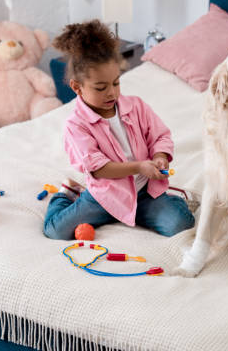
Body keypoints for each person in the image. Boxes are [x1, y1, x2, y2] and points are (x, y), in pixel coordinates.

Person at [43, 19, 194, 240]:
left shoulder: (136, 106)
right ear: (77, 87)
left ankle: (168, 200)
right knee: (55, 231)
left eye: (116, 83)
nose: (112, 93)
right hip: (103, 197)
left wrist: (160, 156)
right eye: (100, 88)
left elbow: (160, 136)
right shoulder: (76, 125)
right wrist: (139, 167)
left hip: (144, 193)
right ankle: (65, 195)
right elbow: (98, 168)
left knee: (181, 224)